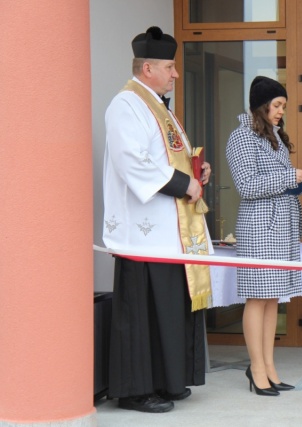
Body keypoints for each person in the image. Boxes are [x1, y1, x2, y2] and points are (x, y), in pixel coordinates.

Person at [102, 26, 213, 413]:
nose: (176, 74)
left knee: (168, 308)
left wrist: (197, 172)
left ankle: (167, 381)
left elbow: (168, 157)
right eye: (170, 67)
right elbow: (132, 161)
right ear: (147, 68)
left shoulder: (160, 106)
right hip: (143, 235)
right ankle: (136, 390)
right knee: (142, 313)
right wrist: (184, 184)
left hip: (171, 233)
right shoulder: (126, 104)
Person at [226, 76, 302, 396]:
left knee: (272, 299)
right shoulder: (241, 136)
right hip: (259, 228)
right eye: (277, 105)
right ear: (262, 105)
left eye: (283, 105)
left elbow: (286, 186)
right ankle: (256, 368)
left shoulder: (273, 137)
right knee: (257, 298)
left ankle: (269, 366)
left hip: (281, 227)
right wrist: (288, 175)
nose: (282, 111)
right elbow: (246, 185)